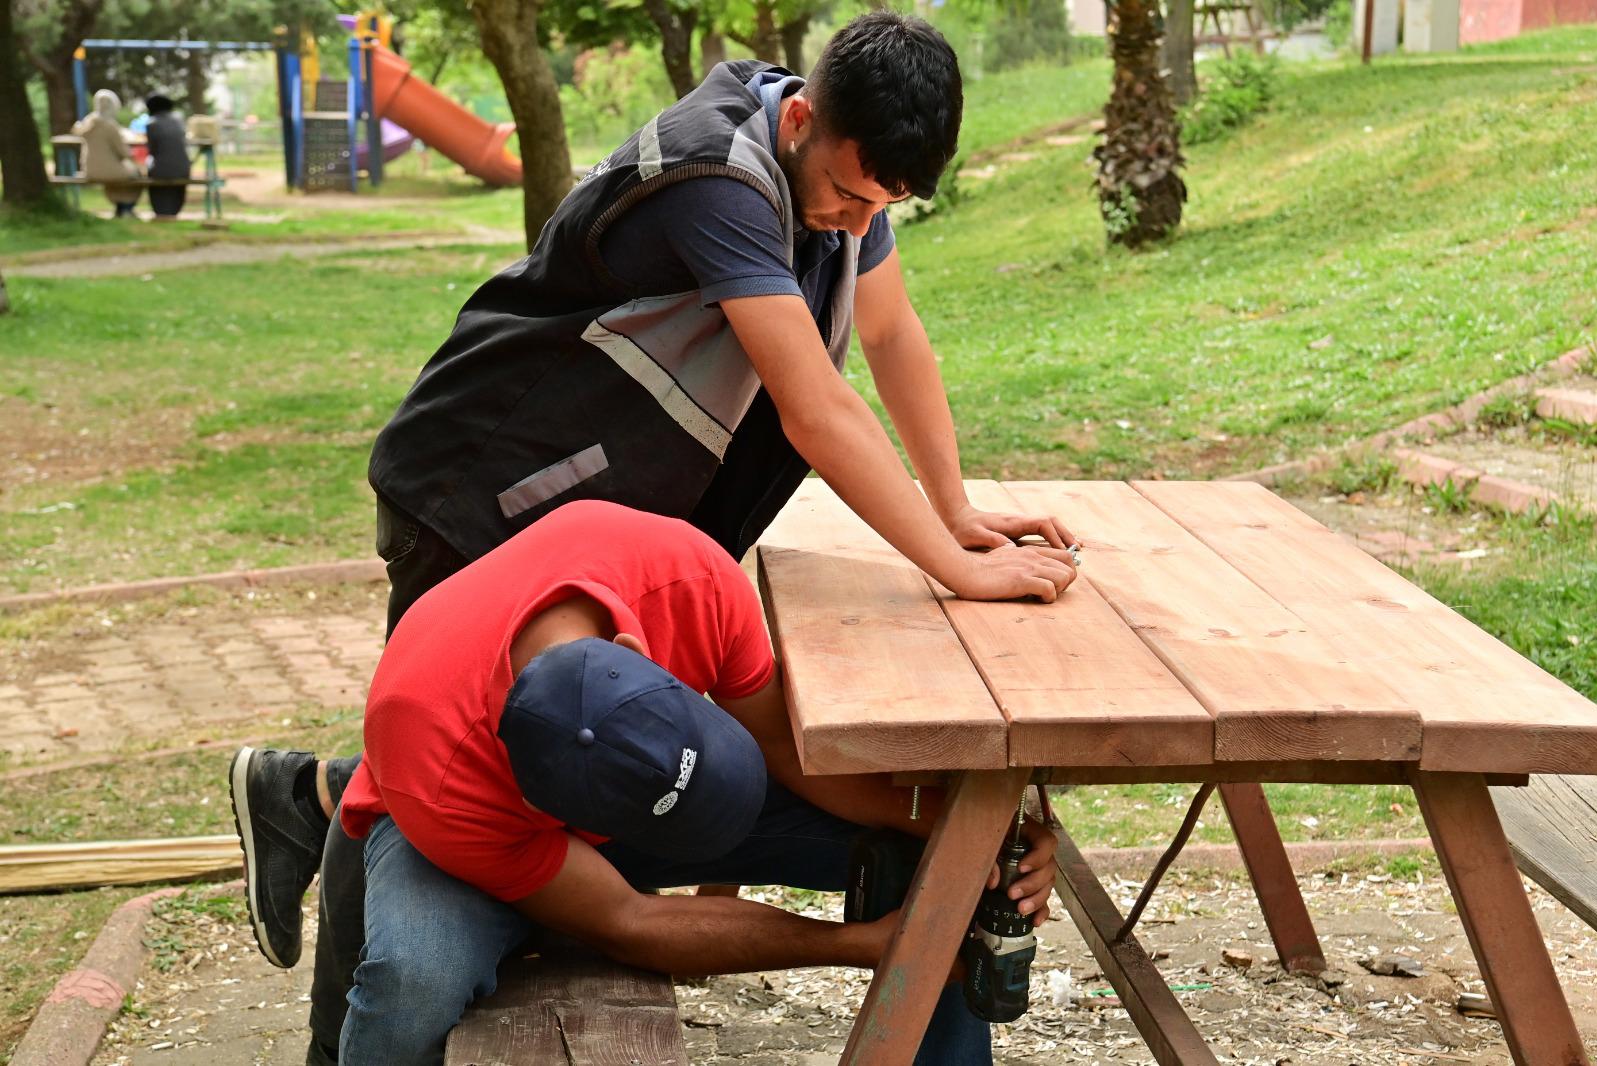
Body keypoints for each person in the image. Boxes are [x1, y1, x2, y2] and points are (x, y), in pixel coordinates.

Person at [231, 1, 1080, 1015]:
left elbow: (893, 338)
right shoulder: (716, 182)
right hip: (483, 491)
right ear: (803, 118)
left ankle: (302, 794)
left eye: (878, 209)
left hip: (584, 509)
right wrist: (957, 566)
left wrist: (957, 510)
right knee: (426, 781)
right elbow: (816, 406)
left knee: (534, 745)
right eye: (851, 197)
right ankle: (346, 1012)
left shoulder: (838, 165)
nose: (858, 225)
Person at [232, 501, 1058, 1065]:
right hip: (465, 832)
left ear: (640, 658)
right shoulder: (438, 764)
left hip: (582, 796)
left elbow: (787, 749)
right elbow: (625, 918)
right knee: (413, 981)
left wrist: (973, 830)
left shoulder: (683, 576)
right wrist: (849, 947)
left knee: (947, 872)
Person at [71, 90, 141, 218]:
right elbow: (124, 152)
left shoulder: (88, 122)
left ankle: (120, 208)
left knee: (121, 175)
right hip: (110, 170)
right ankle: (126, 208)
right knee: (136, 174)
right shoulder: (110, 125)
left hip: (89, 169)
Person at [143, 95, 191, 221]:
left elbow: (152, 150)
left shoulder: (151, 123)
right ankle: (173, 212)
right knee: (174, 177)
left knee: (152, 170)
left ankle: (160, 212)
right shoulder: (179, 121)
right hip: (184, 168)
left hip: (161, 169)